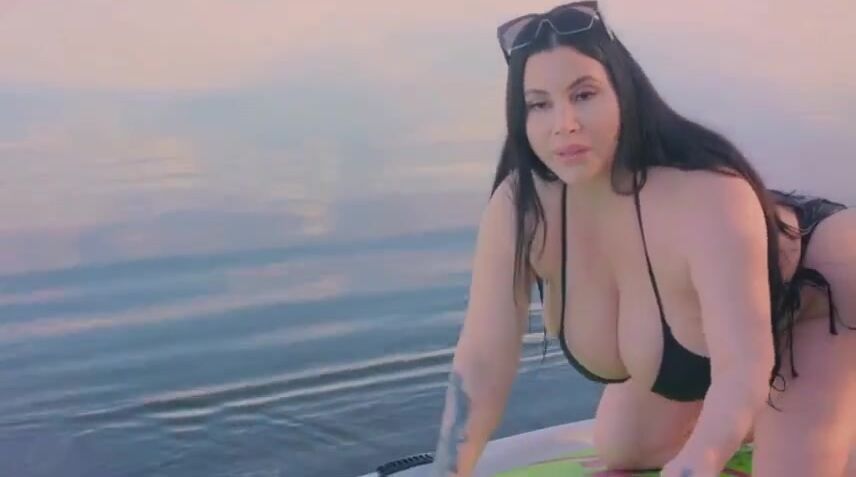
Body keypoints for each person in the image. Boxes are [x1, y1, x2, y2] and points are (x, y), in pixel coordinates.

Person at [428, 2, 856, 476]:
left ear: (622, 91)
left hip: (820, 290)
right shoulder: (520, 208)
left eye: (584, 94)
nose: (564, 123)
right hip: (722, 335)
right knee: (623, 449)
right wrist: (447, 470)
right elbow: (483, 360)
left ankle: (822, 407)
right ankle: (772, 419)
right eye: (539, 104)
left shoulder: (709, 196)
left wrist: (698, 461)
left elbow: (743, 367)